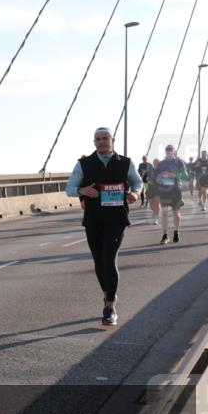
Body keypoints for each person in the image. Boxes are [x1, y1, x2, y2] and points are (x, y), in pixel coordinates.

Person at [66, 127, 141, 326]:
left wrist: (135, 193)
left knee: (109, 258)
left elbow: (137, 182)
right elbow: (70, 188)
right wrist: (82, 190)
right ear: (94, 142)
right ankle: (108, 294)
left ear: (112, 140)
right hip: (93, 219)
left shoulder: (126, 162)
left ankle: (109, 306)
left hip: (117, 219)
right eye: (97, 139)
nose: (101, 142)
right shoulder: (84, 164)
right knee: (99, 262)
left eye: (105, 138)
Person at [150, 144, 189, 244]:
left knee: (176, 213)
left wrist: (175, 175)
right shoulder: (161, 163)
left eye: (170, 149)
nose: (168, 151)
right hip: (164, 190)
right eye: (167, 149)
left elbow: (185, 175)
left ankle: (176, 232)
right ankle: (165, 235)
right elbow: (155, 175)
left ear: (174, 151)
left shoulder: (179, 162)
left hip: (175, 190)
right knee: (164, 213)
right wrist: (157, 178)